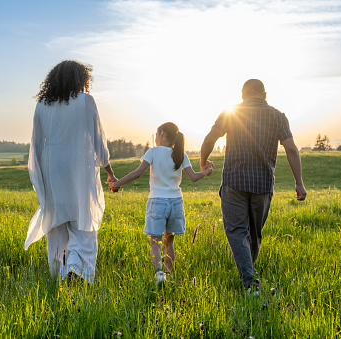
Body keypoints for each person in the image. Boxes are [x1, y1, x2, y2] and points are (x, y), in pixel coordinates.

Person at [200, 79, 306, 295]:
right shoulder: (278, 117)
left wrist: (203, 161)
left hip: (234, 181)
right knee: (255, 233)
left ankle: (249, 281)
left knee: (237, 231)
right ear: (264, 94)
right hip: (262, 183)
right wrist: (299, 183)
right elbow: (292, 150)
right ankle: (250, 278)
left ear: (242, 95)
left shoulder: (230, 113)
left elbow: (211, 137)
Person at [24, 60, 117, 285]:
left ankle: (58, 277)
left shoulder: (41, 105)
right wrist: (110, 173)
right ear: (81, 80)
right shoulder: (86, 101)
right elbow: (98, 142)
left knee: (56, 225)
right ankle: (77, 271)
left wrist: (40, 178)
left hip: (51, 169)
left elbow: (35, 145)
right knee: (83, 223)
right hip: (78, 170)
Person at [109, 122, 213, 286]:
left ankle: (159, 274)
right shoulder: (181, 155)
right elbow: (193, 177)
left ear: (162, 133)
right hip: (176, 203)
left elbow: (137, 173)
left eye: (157, 134)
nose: (156, 137)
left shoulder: (153, 152)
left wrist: (117, 184)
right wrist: (206, 171)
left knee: (155, 241)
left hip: (158, 202)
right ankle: (169, 274)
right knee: (169, 241)